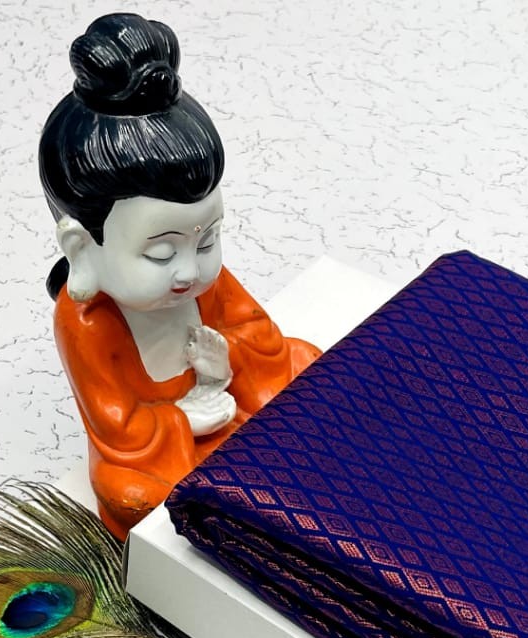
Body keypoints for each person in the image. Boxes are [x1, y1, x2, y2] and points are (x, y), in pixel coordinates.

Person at [39, 13, 319, 539]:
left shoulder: (205, 280)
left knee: (308, 360)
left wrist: (224, 362)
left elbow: (265, 343)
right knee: (133, 496)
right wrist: (185, 419)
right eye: (162, 252)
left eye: (207, 241)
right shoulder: (87, 322)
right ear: (82, 247)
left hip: (228, 406)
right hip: (167, 451)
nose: (190, 271)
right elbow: (116, 429)